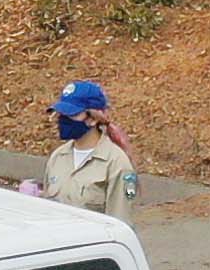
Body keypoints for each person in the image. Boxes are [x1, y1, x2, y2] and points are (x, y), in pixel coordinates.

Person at [42, 78, 139, 221]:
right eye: (61, 114)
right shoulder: (57, 158)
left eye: (72, 114)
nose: (62, 120)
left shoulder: (116, 163)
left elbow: (119, 223)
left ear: (93, 119)